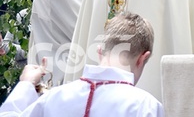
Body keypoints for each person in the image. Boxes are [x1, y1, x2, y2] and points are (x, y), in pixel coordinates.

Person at [0, 12, 163, 116]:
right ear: (143, 58)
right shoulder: (147, 107)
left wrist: (26, 84)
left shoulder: (55, 97)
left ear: (99, 51)